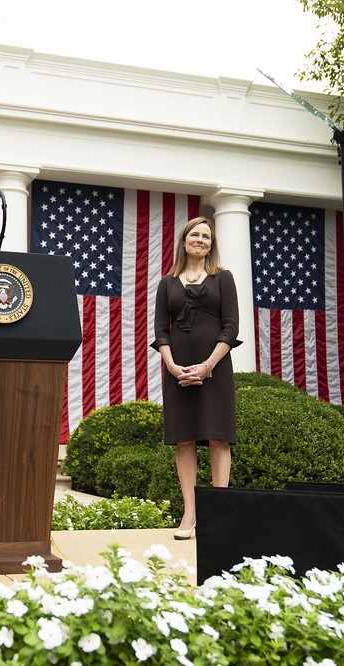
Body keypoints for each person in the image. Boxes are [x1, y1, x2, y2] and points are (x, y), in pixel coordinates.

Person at [151, 216, 240, 540]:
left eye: (206, 236)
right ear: (185, 241)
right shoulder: (168, 283)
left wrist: (207, 366)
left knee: (218, 437)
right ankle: (190, 512)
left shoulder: (223, 279)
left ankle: (218, 511)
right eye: (195, 234)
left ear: (210, 244)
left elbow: (231, 327)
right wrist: (174, 367)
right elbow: (161, 330)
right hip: (178, 370)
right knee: (184, 438)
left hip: (214, 369)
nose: (200, 240)